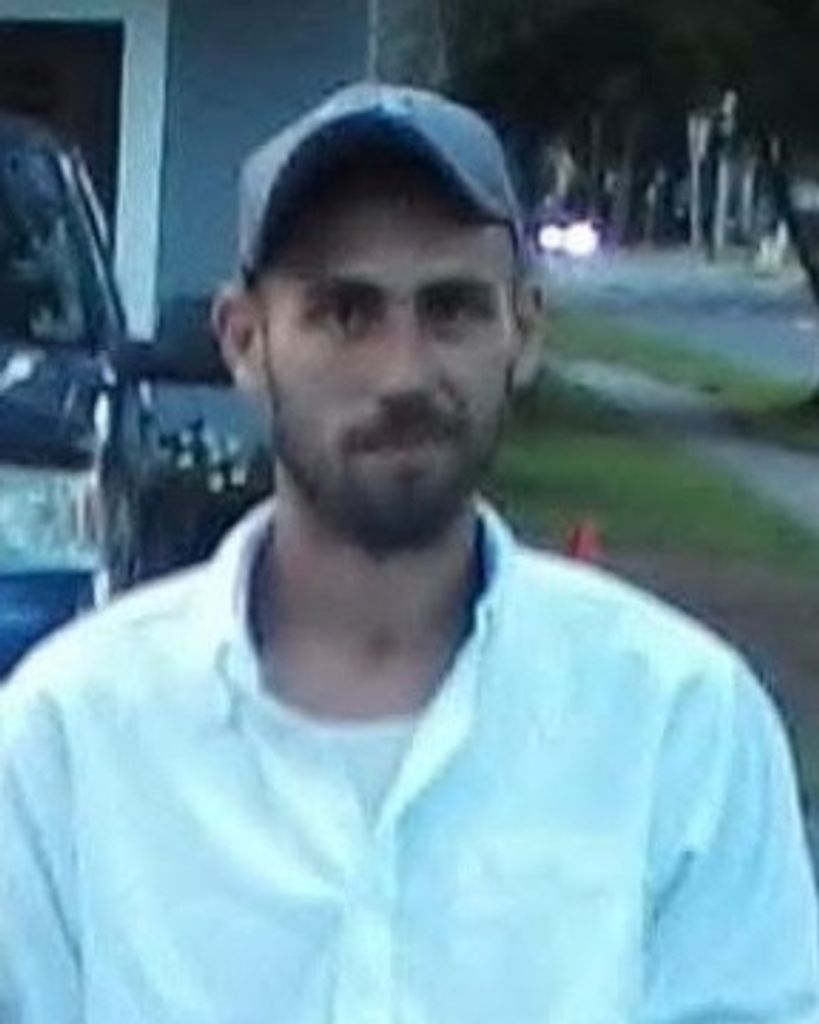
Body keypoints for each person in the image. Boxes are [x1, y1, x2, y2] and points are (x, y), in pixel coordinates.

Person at [0, 82, 817, 1024]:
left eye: (451, 310)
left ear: (524, 331)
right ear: (245, 340)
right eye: (346, 313)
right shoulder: (73, 736)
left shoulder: (679, 727)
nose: (402, 373)